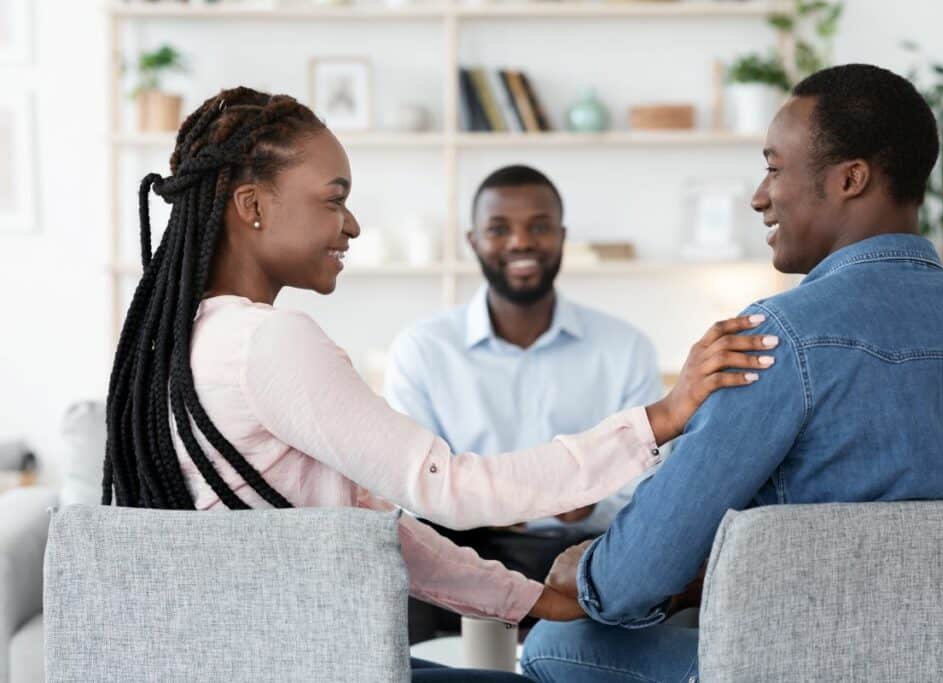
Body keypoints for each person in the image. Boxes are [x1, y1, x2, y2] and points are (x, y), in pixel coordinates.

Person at [102, 87, 778, 682]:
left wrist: (532, 599)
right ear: (252, 206)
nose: (352, 223)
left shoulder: (186, 339)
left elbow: (379, 529)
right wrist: (662, 414)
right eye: (334, 199)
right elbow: (446, 486)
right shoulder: (269, 341)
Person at [521, 63, 943, 682]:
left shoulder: (778, 340)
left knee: (553, 643)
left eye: (774, 167)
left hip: (800, 669)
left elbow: (633, 578)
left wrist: (589, 571)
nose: (760, 196)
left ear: (850, 179)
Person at [385, 165, 665, 641]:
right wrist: (504, 500)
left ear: (561, 236)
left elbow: (649, 481)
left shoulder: (624, 347)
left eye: (538, 226)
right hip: (466, 549)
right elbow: (412, 484)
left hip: (587, 553)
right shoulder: (424, 349)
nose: (521, 242)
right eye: (500, 229)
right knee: (401, 567)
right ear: (473, 242)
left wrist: (589, 503)